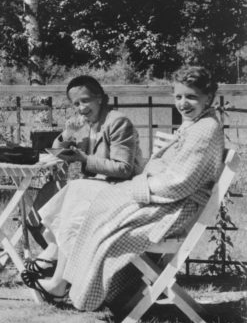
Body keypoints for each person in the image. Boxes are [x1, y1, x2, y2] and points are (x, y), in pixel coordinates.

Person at [21, 65, 224, 310]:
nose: (183, 103)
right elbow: (171, 169)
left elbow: (178, 181)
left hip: (167, 207)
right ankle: (55, 270)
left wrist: (139, 183)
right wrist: (69, 134)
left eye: (191, 96)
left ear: (209, 97)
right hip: (157, 195)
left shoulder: (203, 130)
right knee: (77, 190)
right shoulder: (196, 123)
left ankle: (57, 278)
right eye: (179, 96)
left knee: (86, 203)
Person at [24, 75, 144, 275]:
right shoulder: (88, 123)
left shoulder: (118, 122)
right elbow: (56, 148)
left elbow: (124, 169)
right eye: (76, 104)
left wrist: (84, 159)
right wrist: (67, 133)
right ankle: (57, 260)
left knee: (57, 198)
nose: (81, 108)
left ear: (100, 98)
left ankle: (61, 267)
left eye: (85, 101)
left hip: (117, 190)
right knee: (43, 200)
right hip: (93, 186)